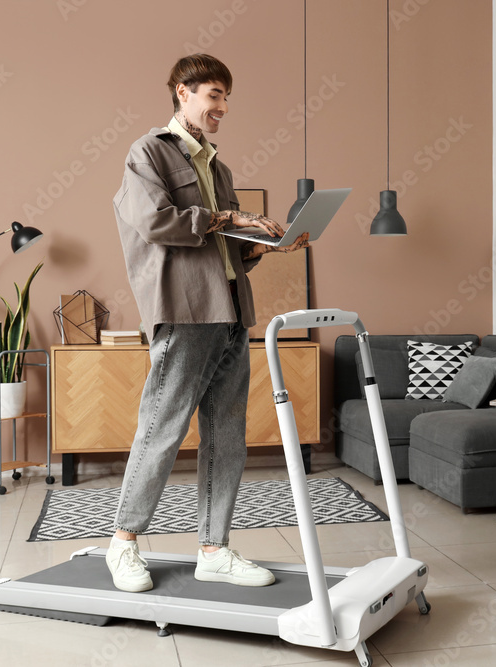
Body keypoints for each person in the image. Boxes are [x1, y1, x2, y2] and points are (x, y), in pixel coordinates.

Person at [107, 53, 309, 592]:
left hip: (230, 312)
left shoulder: (218, 167)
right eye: (214, 95)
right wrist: (230, 217)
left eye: (225, 97)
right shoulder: (148, 152)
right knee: (163, 427)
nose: (222, 107)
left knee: (227, 434)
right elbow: (155, 222)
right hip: (184, 312)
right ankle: (123, 543)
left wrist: (270, 243)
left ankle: (214, 548)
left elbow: (229, 249)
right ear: (182, 92)